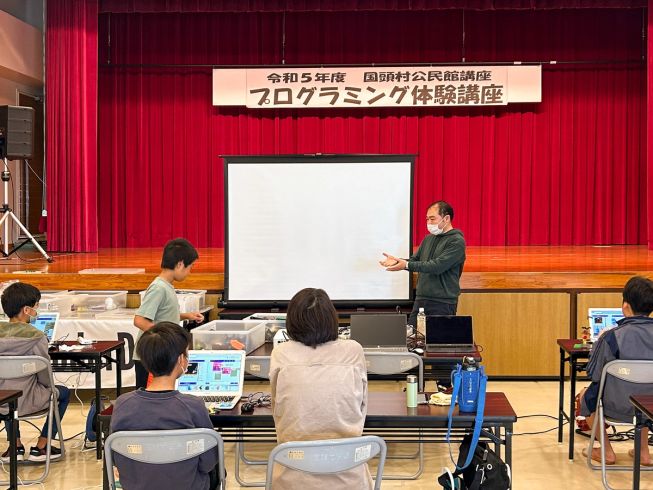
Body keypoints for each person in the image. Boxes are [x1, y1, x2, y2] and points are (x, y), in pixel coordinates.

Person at [269, 288, 369, 489]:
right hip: (349, 476)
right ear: (332, 318)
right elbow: (361, 403)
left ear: (292, 320)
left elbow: (276, 405)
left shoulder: (281, 353)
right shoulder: (353, 350)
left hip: (292, 475)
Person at [110, 322, 220, 490]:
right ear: (181, 359)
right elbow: (208, 462)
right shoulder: (193, 406)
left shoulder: (123, 404)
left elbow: (117, 458)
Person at [580, 276, 653, 465]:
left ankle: (606, 452)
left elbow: (595, 374)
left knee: (585, 396)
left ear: (625, 306)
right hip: (650, 406)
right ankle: (643, 452)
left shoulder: (612, 337)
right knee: (645, 393)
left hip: (616, 405)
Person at [0, 282, 70, 463]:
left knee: (8, 391)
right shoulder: (37, 336)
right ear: (26, 310)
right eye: (36, 306)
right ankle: (42, 445)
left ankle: (14, 445)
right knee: (62, 393)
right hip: (29, 399)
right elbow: (45, 376)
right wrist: (47, 387)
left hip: (2, 400)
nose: (37, 310)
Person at [380, 200, 466, 327]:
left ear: (446, 218)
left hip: (442, 302)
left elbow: (437, 266)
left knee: (437, 342)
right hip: (421, 299)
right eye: (427, 219)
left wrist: (406, 264)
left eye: (432, 219)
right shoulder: (428, 239)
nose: (429, 223)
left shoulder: (456, 241)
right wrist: (398, 262)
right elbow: (415, 261)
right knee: (412, 340)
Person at [133, 238, 204, 389]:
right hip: (150, 356)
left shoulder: (167, 286)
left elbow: (163, 315)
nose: (189, 272)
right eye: (190, 267)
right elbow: (140, 320)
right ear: (180, 264)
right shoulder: (159, 288)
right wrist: (166, 339)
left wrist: (186, 315)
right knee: (150, 399)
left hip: (159, 354)